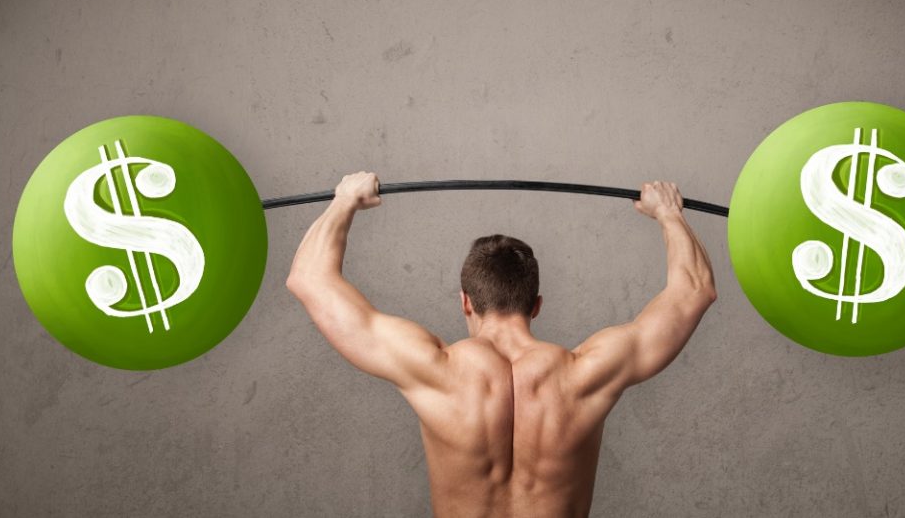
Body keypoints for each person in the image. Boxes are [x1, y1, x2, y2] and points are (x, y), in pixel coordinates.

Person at [287, 171, 717, 518]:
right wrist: (669, 214)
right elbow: (694, 291)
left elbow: (309, 278)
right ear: (536, 305)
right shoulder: (584, 375)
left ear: (465, 302)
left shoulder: (434, 370)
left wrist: (345, 200)